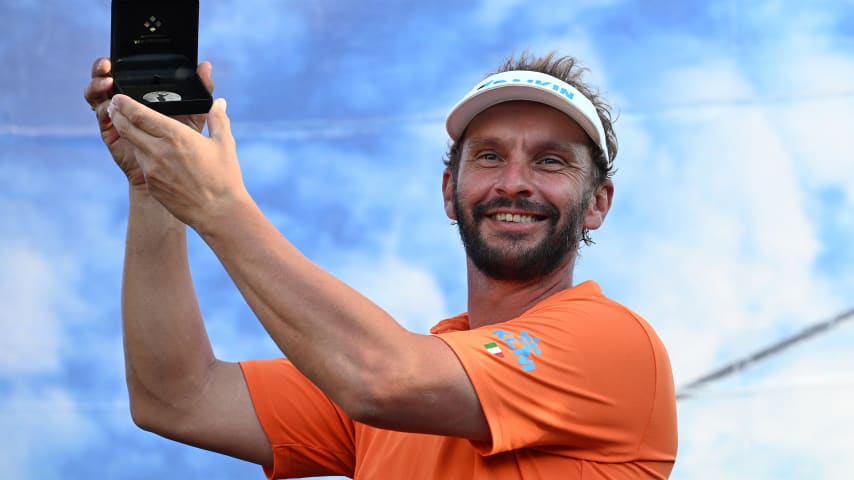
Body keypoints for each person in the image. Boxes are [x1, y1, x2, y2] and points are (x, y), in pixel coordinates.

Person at [83, 52, 678, 478]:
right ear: (450, 189)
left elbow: (382, 378)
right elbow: (177, 397)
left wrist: (218, 204)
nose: (514, 182)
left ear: (596, 203)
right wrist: (153, 183)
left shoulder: (615, 345)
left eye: (551, 162)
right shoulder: (402, 373)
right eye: (490, 156)